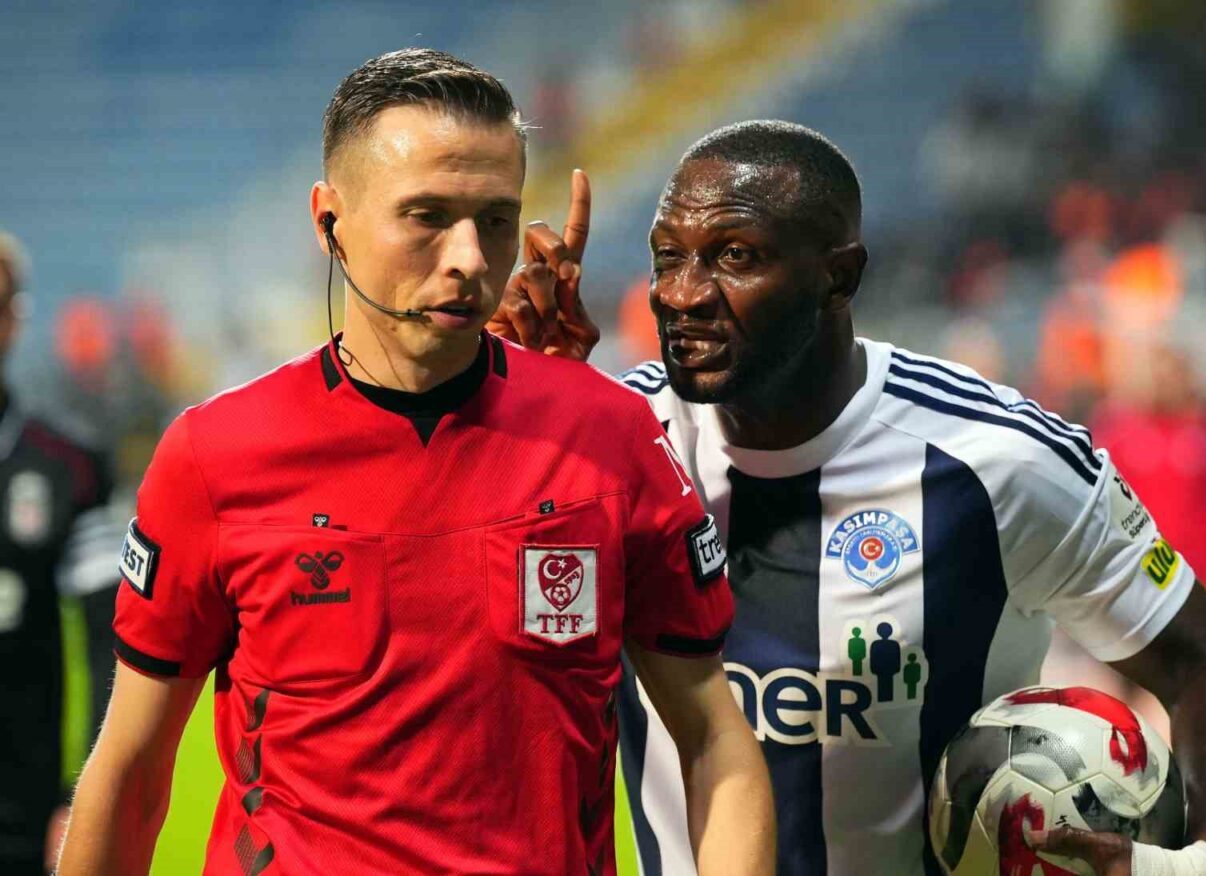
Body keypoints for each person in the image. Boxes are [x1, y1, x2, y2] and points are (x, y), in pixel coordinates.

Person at [488, 120, 1206, 876]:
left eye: (734, 256)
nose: (681, 294)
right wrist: (509, 420)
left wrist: (1200, 865)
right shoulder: (613, 443)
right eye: (668, 258)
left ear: (839, 276)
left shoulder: (996, 460)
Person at [58, 50, 774, 876]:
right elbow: (132, 773)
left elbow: (714, 741)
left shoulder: (609, 438)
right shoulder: (215, 457)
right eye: (427, 217)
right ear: (330, 223)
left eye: (496, 220)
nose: (469, 257)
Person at [0, 232, 117, 875]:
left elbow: (109, 642)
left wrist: (81, 795)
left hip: (24, 802)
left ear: (15, 318)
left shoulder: (66, 467)